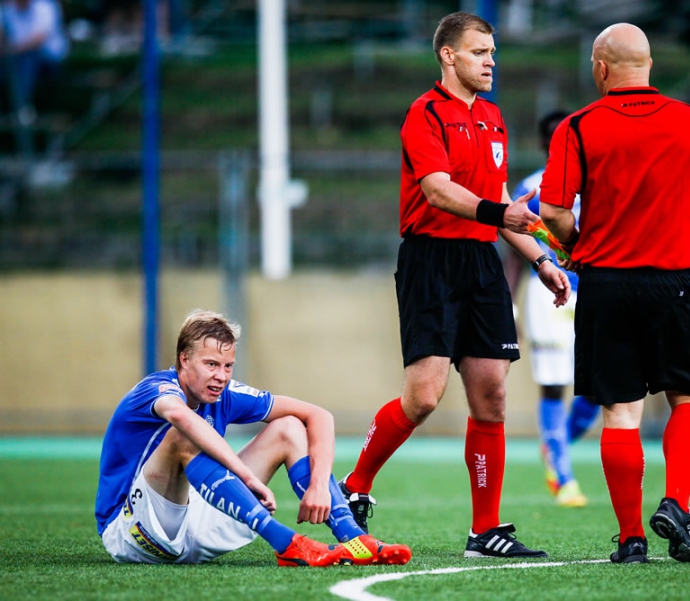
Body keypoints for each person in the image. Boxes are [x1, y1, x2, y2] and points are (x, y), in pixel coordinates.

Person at [338, 11, 570, 559]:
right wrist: (500, 214)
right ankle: (353, 486)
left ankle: (484, 532)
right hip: (431, 260)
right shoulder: (424, 114)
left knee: (491, 394)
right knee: (424, 397)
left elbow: (502, 199)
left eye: (493, 52)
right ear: (448, 56)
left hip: (481, 263)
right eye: (479, 52)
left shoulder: (492, 117)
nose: (491, 61)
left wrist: (540, 260)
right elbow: (439, 191)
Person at [540, 23, 690, 564]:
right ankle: (676, 503)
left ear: (600, 68)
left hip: (606, 283)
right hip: (675, 281)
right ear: (650, 65)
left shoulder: (577, 126)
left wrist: (576, 244)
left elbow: (553, 211)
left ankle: (631, 540)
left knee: (621, 414)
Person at [95, 309, 412, 567]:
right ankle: (287, 544)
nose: (221, 376)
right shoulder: (156, 389)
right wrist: (247, 477)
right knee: (184, 434)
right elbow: (181, 419)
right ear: (183, 360)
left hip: (194, 519)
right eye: (211, 364)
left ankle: (354, 538)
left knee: (288, 427)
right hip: (133, 532)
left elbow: (319, 415)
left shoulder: (224, 394)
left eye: (228, 366)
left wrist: (318, 485)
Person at [503, 110, 600, 508]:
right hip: (548, 295)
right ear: (550, 144)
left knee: (598, 382)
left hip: (595, 289)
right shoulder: (531, 187)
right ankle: (562, 474)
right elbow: (512, 249)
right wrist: (510, 305)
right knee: (556, 382)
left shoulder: (595, 184)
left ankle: (555, 445)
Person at [0, 0, 68, 112]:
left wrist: (11, 51)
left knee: (28, 58)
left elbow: (37, 40)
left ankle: (22, 107)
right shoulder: (6, 9)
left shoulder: (45, 7)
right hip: (15, 58)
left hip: (48, 60)